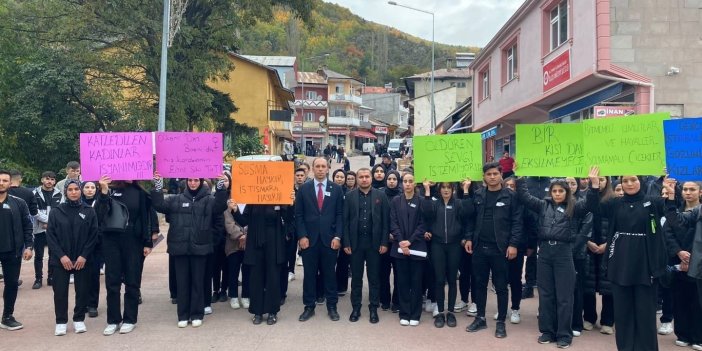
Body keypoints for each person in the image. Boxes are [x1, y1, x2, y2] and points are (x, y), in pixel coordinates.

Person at [586, 169, 672, 351]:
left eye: (633, 180)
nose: (630, 184)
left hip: (646, 265)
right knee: (623, 313)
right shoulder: (615, 203)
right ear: (621, 183)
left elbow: (672, 214)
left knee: (645, 313)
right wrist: (594, 186)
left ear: (640, 181)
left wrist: (672, 194)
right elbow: (594, 208)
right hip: (620, 263)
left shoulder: (653, 202)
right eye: (626, 181)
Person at [516, 175, 591, 348]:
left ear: (567, 192)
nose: (557, 194)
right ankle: (547, 331)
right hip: (544, 253)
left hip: (564, 252)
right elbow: (525, 197)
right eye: (554, 191)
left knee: (565, 296)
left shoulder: (574, 207)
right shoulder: (543, 205)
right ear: (550, 192)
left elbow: (590, 204)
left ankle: (564, 334)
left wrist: (593, 186)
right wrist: (520, 180)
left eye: (561, 191)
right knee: (546, 294)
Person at [151, 173, 228, 328]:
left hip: (200, 247)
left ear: (201, 182)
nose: (193, 183)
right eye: (190, 180)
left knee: (198, 282)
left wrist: (220, 187)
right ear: (186, 182)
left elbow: (220, 206)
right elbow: (159, 205)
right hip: (179, 248)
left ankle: (197, 313)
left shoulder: (209, 200)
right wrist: (158, 185)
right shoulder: (175, 200)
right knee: (182, 282)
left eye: (196, 180)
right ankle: (183, 315)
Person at [463, 162, 522, 339]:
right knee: (479, 284)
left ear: (501, 174)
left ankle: (501, 322)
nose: (492, 177)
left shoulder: (511, 196)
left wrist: (513, 244)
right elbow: (470, 219)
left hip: (501, 249)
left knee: (501, 287)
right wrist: (468, 238)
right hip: (480, 247)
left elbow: (517, 223)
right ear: (484, 177)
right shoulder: (478, 194)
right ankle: (480, 318)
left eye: (495, 173)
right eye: (488, 174)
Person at [96, 176, 157, 335]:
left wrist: (147, 242)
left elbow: (146, 218)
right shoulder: (108, 190)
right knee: (112, 281)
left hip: (133, 240)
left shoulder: (140, 192)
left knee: (132, 280)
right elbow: (98, 215)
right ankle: (113, 320)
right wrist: (103, 192)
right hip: (111, 240)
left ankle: (130, 319)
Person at [231, 191, 294, 325]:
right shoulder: (254, 199)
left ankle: (272, 311)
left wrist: (290, 204)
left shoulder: (279, 197)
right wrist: (235, 210)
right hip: (255, 242)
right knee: (256, 277)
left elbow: (288, 218)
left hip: (274, 242)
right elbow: (244, 220)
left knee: (273, 277)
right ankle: (257, 311)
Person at [46, 180, 99, 336]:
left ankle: (79, 319)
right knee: (60, 292)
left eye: (77, 189)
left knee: (82, 291)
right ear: (65, 192)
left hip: (82, 259)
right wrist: (62, 256)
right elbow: (51, 237)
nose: (74, 192)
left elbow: (93, 235)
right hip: (60, 260)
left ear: (80, 191)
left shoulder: (89, 211)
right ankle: (61, 321)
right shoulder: (56, 211)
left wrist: (84, 256)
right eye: (70, 189)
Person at [295, 157, 344, 322]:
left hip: (330, 240)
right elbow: (299, 215)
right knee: (309, 275)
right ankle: (309, 306)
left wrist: (338, 236)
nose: (321, 169)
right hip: (309, 240)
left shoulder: (336, 189)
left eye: (324, 166)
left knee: (330, 274)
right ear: (312, 169)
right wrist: (301, 236)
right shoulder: (304, 189)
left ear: (328, 168)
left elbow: (340, 215)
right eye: (318, 166)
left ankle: (332, 306)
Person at [421, 180, 472, 328]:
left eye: (448, 187)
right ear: (439, 189)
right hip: (437, 245)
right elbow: (426, 211)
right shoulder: (435, 203)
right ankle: (440, 312)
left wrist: (466, 189)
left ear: (453, 189)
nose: (445, 190)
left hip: (455, 246)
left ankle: (450, 312)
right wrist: (427, 190)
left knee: (451, 279)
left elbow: (469, 212)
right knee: (439, 279)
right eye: (443, 187)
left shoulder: (458, 203)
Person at [342, 168, 390, 324]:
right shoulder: (349, 197)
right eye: (361, 177)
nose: (364, 179)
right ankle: (356, 307)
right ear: (357, 179)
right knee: (356, 278)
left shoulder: (381, 196)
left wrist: (384, 242)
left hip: (374, 244)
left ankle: (373, 308)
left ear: (370, 178)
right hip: (355, 244)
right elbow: (345, 222)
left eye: (366, 176)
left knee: (374, 278)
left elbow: (385, 222)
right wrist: (346, 242)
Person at [663, 181, 702, 349]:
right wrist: (671, 197)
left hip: (699, 264)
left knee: (698, 301)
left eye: (692, 189)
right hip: (680, 262)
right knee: (680, 299)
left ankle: (699, 336)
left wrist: (695, 259)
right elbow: (673, 222)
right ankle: (684, 334)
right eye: (685, 189)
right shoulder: (693, 213)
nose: (688, 192)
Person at [390, 172, 427, 326]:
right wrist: (401, 241)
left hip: (417, 247)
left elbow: (423, 224)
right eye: (405, 181)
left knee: (416, 282)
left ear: (415, 184)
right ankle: (404, 313)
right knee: (402, 282)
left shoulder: (422, 201)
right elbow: (393, 222)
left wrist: (409, 241)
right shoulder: (396, 201)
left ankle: (415, 314)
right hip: (399, 248)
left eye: (410, 181)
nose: (407, 184)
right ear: (401, 183)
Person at [0, 170, 34, 331]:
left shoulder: (19, 203)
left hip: (12, 251)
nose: (1, 183)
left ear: (10, 183)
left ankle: (7, 316)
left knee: (11, 284)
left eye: (5, 180)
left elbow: (28, 225)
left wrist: (29, 246)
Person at [583, 176, 616, 335]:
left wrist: (608, 244)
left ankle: (608, 321)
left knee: (608, 286)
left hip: (608, 247)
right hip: (589, 247)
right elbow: (581, 222)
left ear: (608, 181)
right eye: (597, 180)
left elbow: (618, 225)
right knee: (588, 285)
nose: (600, 182)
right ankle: (589, 318)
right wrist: (587, 241)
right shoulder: (586, 198)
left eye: (603, 179)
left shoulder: (614, 200)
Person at [565, 177, 593, 337]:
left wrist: (572, 250)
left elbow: (585, 231)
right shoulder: (556, 202)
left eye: (573, 183)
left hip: (578, 254)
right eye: (567, 183)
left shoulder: (584, 203)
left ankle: (577, 322)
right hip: (559, 253)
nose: (569, 186)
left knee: (577, 289)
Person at [32, 171, 63, 289]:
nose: (49, 181)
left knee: (53, 254)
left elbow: (61, 210)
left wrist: (51, 224)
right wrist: (48, 221)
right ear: (42, 180)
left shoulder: (60, 194)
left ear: (55, 181)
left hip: (54, 229)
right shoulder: (34, 193)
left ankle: (51, 277)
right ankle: (38, 279)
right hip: (39, 229)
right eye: (47, 179)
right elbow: (34, 211)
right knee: (38, 255)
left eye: (52, 179)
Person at [81, 181, 103, 318]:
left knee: (94, 274)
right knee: (81, 275)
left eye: (92, 187)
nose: (90, 190)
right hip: (79, 244)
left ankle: (92, 304)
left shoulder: (101, 202)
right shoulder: (76, 203)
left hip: (96, 243)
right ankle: (82, 303)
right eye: (87, 187)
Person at [380, 170, 401, 312]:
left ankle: (397, 301)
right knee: (383, 272)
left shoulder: (402, 195)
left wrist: (396, 234)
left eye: (394, 179)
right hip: (383, 240)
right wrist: (385, 233)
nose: (391, 181)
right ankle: (385, 300)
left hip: (398, 240)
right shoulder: (380, 194)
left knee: (399, 273)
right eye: (389, 179)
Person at [223, 197, 249, 311]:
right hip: (233, 244)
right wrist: (240, 236)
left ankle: (246, 295)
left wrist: (246, 237)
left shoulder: (252, 202)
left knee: (247, 271)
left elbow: (253, 222)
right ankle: (233, 296)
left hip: (249, 244)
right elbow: (229, 223)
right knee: (233, 270)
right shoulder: (230, 203)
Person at [331, 169, 350, 296]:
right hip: (330, 229)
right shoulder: (329, 190)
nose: (339, 179)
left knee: (343, 260)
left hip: (346, 229)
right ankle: (330, 285)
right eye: (337, 176)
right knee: (329, 261)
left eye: (341, 177)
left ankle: (341, 286)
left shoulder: (349, 193)